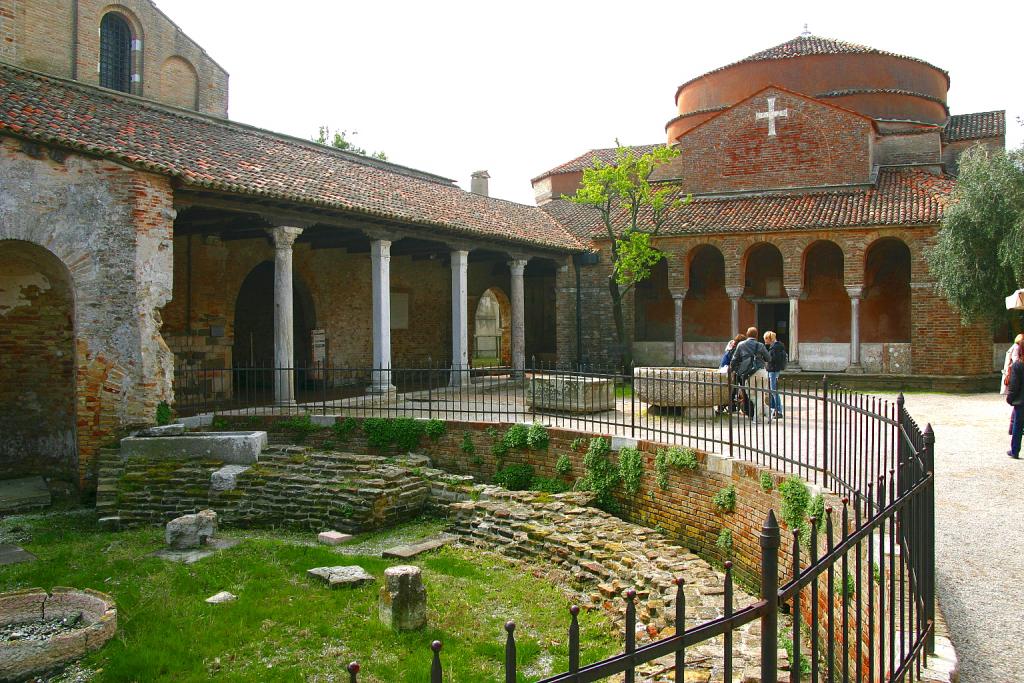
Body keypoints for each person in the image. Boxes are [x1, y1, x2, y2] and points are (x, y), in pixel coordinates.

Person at [729, 326, 770, 421]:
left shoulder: (741, 345)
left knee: (751, 395)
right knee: (760, 395)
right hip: (761, 371)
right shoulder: (760, 345)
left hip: (749, 373)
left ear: (747, 334)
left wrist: (735, 369)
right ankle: (766, 412)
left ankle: (759, 417)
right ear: (756, 335)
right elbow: (768, 358)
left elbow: (734, 359)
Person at [764, 330, 788, 420]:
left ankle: (778, 411)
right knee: (772, 391)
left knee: (774, 391)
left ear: (769, 338)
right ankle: (773, 410)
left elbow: (773, 359)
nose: (765, 341)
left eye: (766, 339)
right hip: (774, 370)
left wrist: (767, 358)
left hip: (773, 370)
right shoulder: (777, 346)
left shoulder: (775, 348)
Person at [1007, 338, 1024, 459]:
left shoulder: (1018, 365)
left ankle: (1015, 451)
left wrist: (1010, 398)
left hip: (1021, 402)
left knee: (1017, 427)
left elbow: (1014, 385)